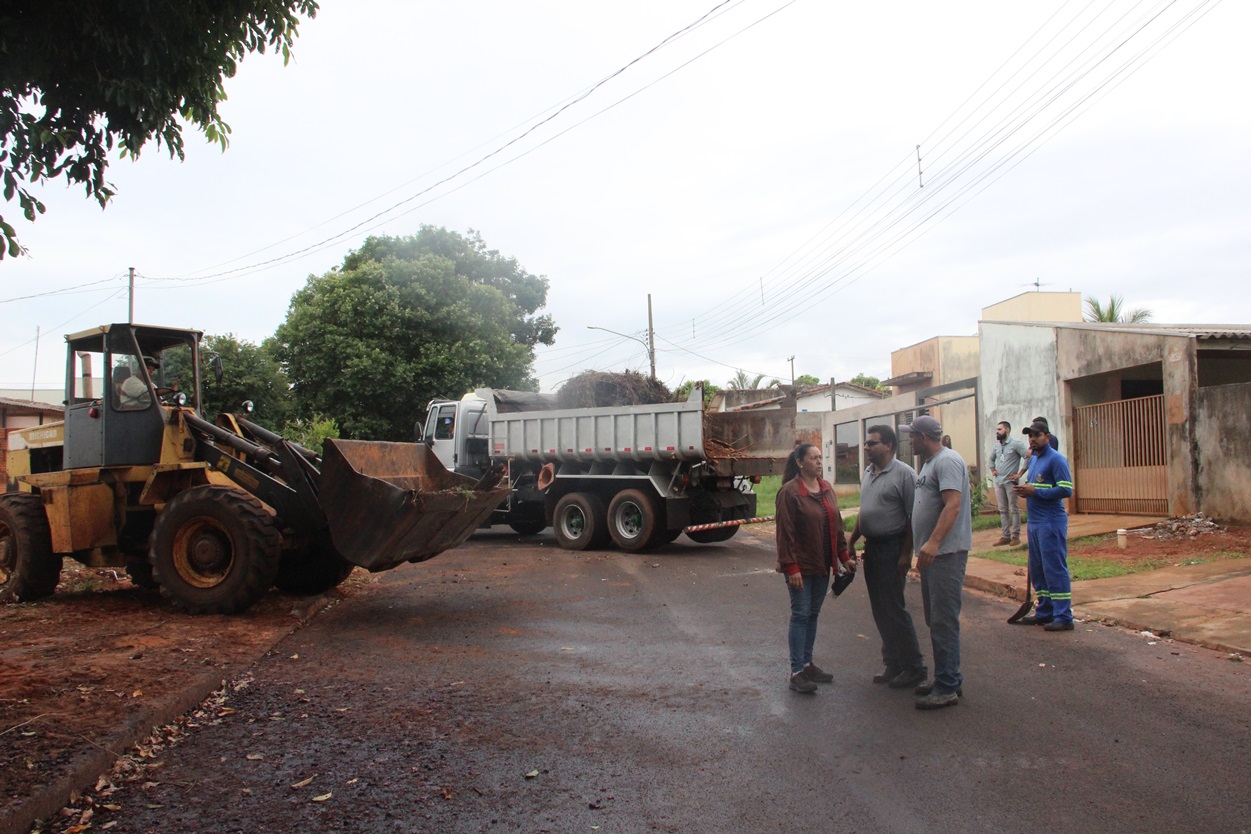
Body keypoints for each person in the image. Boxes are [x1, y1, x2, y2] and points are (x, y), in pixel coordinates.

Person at [899, 414, 971, 710]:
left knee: (943, 620)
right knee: (935, 620)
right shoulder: (929, 464)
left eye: (912, 436)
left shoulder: (947, 461)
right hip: (934, 555)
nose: (909, 440)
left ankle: (946, 687)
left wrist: (933, 542)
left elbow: (952, 505)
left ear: (924, 437)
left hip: (946, 555)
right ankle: (948, 677)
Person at [848, 425, 925, 690]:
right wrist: (851, 540)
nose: (867, 447)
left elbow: (912, 518)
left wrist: (906, 554)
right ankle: (892, 662)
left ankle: (914, 667)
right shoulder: (868, 473)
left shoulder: (905, 475)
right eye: (867, 443)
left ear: (890, 445)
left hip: (893, 549)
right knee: (880, 609)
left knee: (894, 608)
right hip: (873, 549)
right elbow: (864, 512)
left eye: (873, 443)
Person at [775, 443, 853, 694]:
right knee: (801, 613)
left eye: (821, 457)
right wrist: (792, 566)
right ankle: (796, 671)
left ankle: (807, 664)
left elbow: (837, 525)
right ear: (800, 462)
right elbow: (784, 533)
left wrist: (843, 556)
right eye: (813, 458)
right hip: (801, 566)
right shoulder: (789, 492)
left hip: (822, 564)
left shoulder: (826, 488)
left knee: (813, 614)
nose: (819, 462)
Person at [1013, 420, 1075, 631]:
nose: (1032, 439)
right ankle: (1045, 611)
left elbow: (1066, 490)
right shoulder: (1032, 460)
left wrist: (1035, 492)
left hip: (1051, 521)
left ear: (1047, 437)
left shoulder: (1057, 460)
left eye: (1037, 435)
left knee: (1054, 569)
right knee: (1038, 570)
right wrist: (1025, 490)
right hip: (1035, 521)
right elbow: (1037, 485)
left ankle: (1063, 616)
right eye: (1030, 436)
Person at [989, 421, 1029, 546]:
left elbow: (1027, 456)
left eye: (1000, 429)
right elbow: (991, 459)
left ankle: (1015, 536)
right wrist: (993, 470)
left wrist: (1020, 473)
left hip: (1010, 482)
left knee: (1014, 509)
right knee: (1002, 510)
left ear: (1007, 430)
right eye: (996, 429)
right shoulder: (997, 446)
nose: (997, 432)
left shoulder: (1016, 444)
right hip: (999, 482)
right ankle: (1005, 536)